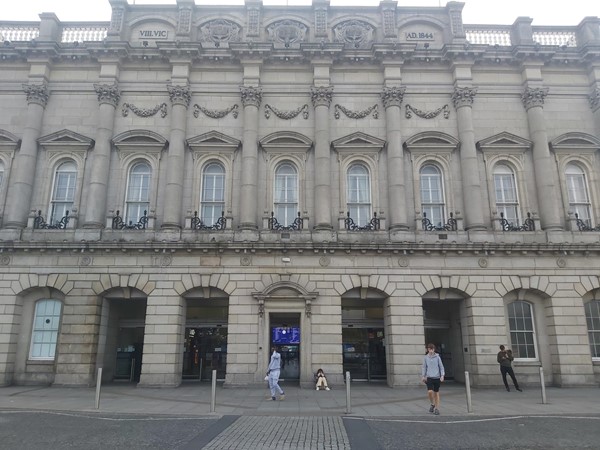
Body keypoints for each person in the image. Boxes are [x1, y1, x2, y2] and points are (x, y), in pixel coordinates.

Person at [421, 343, 445, 415]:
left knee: (436, 393)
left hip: (437, 377)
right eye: (429, 349)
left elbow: (441, 367)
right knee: (430, 392)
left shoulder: (437, 357)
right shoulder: (426, 358)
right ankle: (432, 404)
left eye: (432, 349)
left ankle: (437, 408)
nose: (430, 351)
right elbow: (424, 367)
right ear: (427, 350)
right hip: (429, 377)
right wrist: (423, 376)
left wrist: (442, 375)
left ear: (434, 349)